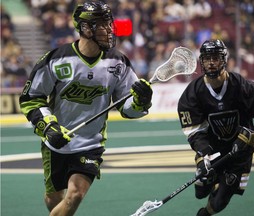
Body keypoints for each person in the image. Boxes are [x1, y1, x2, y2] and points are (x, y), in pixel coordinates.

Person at [19, 1, 153, 216]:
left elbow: (128, 109)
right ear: (85, 28)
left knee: (75, 196)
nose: (109, 30)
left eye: (109, 24)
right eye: (102, 25)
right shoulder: (56, 59)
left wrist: (141, 102)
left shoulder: (118, 63)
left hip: (90, 143)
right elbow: (31, 99)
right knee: (54, 199)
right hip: (56, 144)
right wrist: (48, 127)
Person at [177, 39, 254, 216]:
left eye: (215, 58)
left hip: (240, 154)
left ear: (224, 60)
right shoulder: (192, 93)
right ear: (201, 60)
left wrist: (249, 136)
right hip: (213, 151)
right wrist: (203, 157)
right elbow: (194, 132)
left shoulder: (243, 87)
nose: (210, 63)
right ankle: (209, 180)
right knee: (200, 192)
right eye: (207, 58)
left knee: (220, 201)